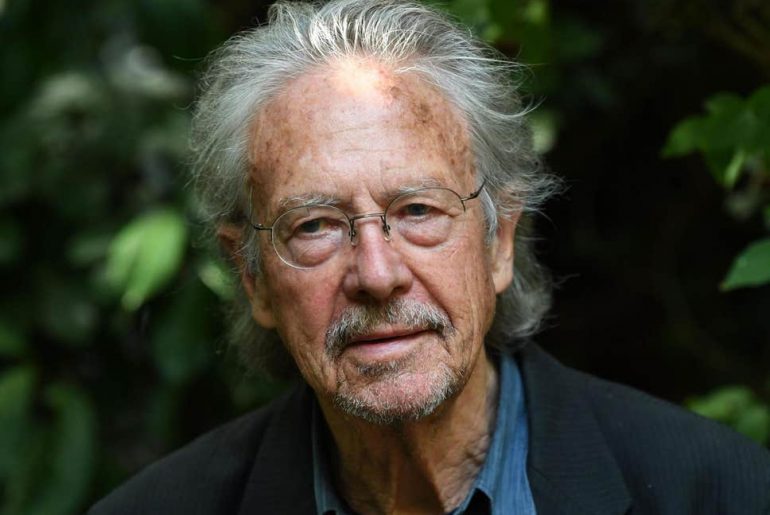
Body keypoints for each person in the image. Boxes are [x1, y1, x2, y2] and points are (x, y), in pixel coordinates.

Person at [90, 1, 770, 513]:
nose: (377, 274)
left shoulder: (723, 493)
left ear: (499, 239)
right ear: (253, 275)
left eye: (418, 211)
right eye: (315, 225)